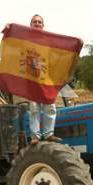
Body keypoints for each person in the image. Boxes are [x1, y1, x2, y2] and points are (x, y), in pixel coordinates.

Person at [28, 14, 62, 145]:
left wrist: (76, 44)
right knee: (34, 108)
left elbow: (61, 50)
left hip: (45, 78)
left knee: (50, 106)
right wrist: (10, 29)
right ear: (30, 25)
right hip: (31, 79)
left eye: (39, 22)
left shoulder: (48, 41)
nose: (37, 24)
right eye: (35, 22)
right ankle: (36, 136)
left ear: (43, 25)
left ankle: (48, 134)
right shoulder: (25, 40)